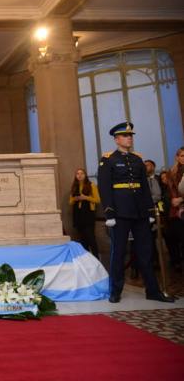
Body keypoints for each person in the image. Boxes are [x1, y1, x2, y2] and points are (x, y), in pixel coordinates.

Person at [97, 122, 174, 303]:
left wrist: (149, 210)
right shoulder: (108, 160)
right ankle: (115, 291)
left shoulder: (137, 159)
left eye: (130, 135)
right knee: (119, 253)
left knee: (146, 253)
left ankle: (153, 291)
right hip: (120, 212)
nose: (129, 138)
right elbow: (105, 188)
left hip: (139, 212)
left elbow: (144, 188)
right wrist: (109, 213)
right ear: (116, 139)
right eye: (125, 135)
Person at [69, 168, 100, 258]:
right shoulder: (74, 186)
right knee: (82, 239)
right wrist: (75, 199)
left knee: (91, 238)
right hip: (78, 214)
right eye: (77, 173)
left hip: (88, 214)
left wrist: (85, 197)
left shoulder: (91, 185)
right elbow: (70, 202)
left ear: (85, 175)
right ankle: (86, 259)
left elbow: (97, 200)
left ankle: (96, 258)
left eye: (82, 173)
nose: (79, 175)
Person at [166, 147, 184, 271]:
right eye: (182, 155)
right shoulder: (171, 172)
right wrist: (175, 200)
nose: (183, 158)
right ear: (177, 157)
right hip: (176, 210)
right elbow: (171, 191)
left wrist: (181, 199)